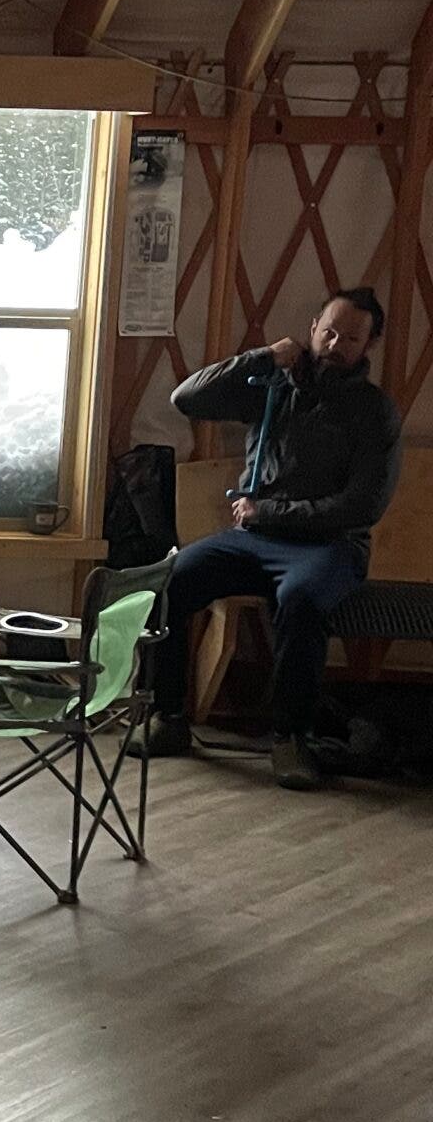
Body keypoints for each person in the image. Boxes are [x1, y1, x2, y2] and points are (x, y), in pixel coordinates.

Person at [147, 288, 400, 789]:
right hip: (253, 539)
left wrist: (269, 510)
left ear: (368, 346)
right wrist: (260, 356)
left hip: (331, 546)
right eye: (328, 330)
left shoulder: (375, 413)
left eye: (350, 338)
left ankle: (290, 738)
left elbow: (361, 507)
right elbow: (186, 398)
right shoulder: (273, 384)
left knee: (302, 598)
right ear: (311, 326)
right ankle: (168, 718)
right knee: (171, 579)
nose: (334, 344)